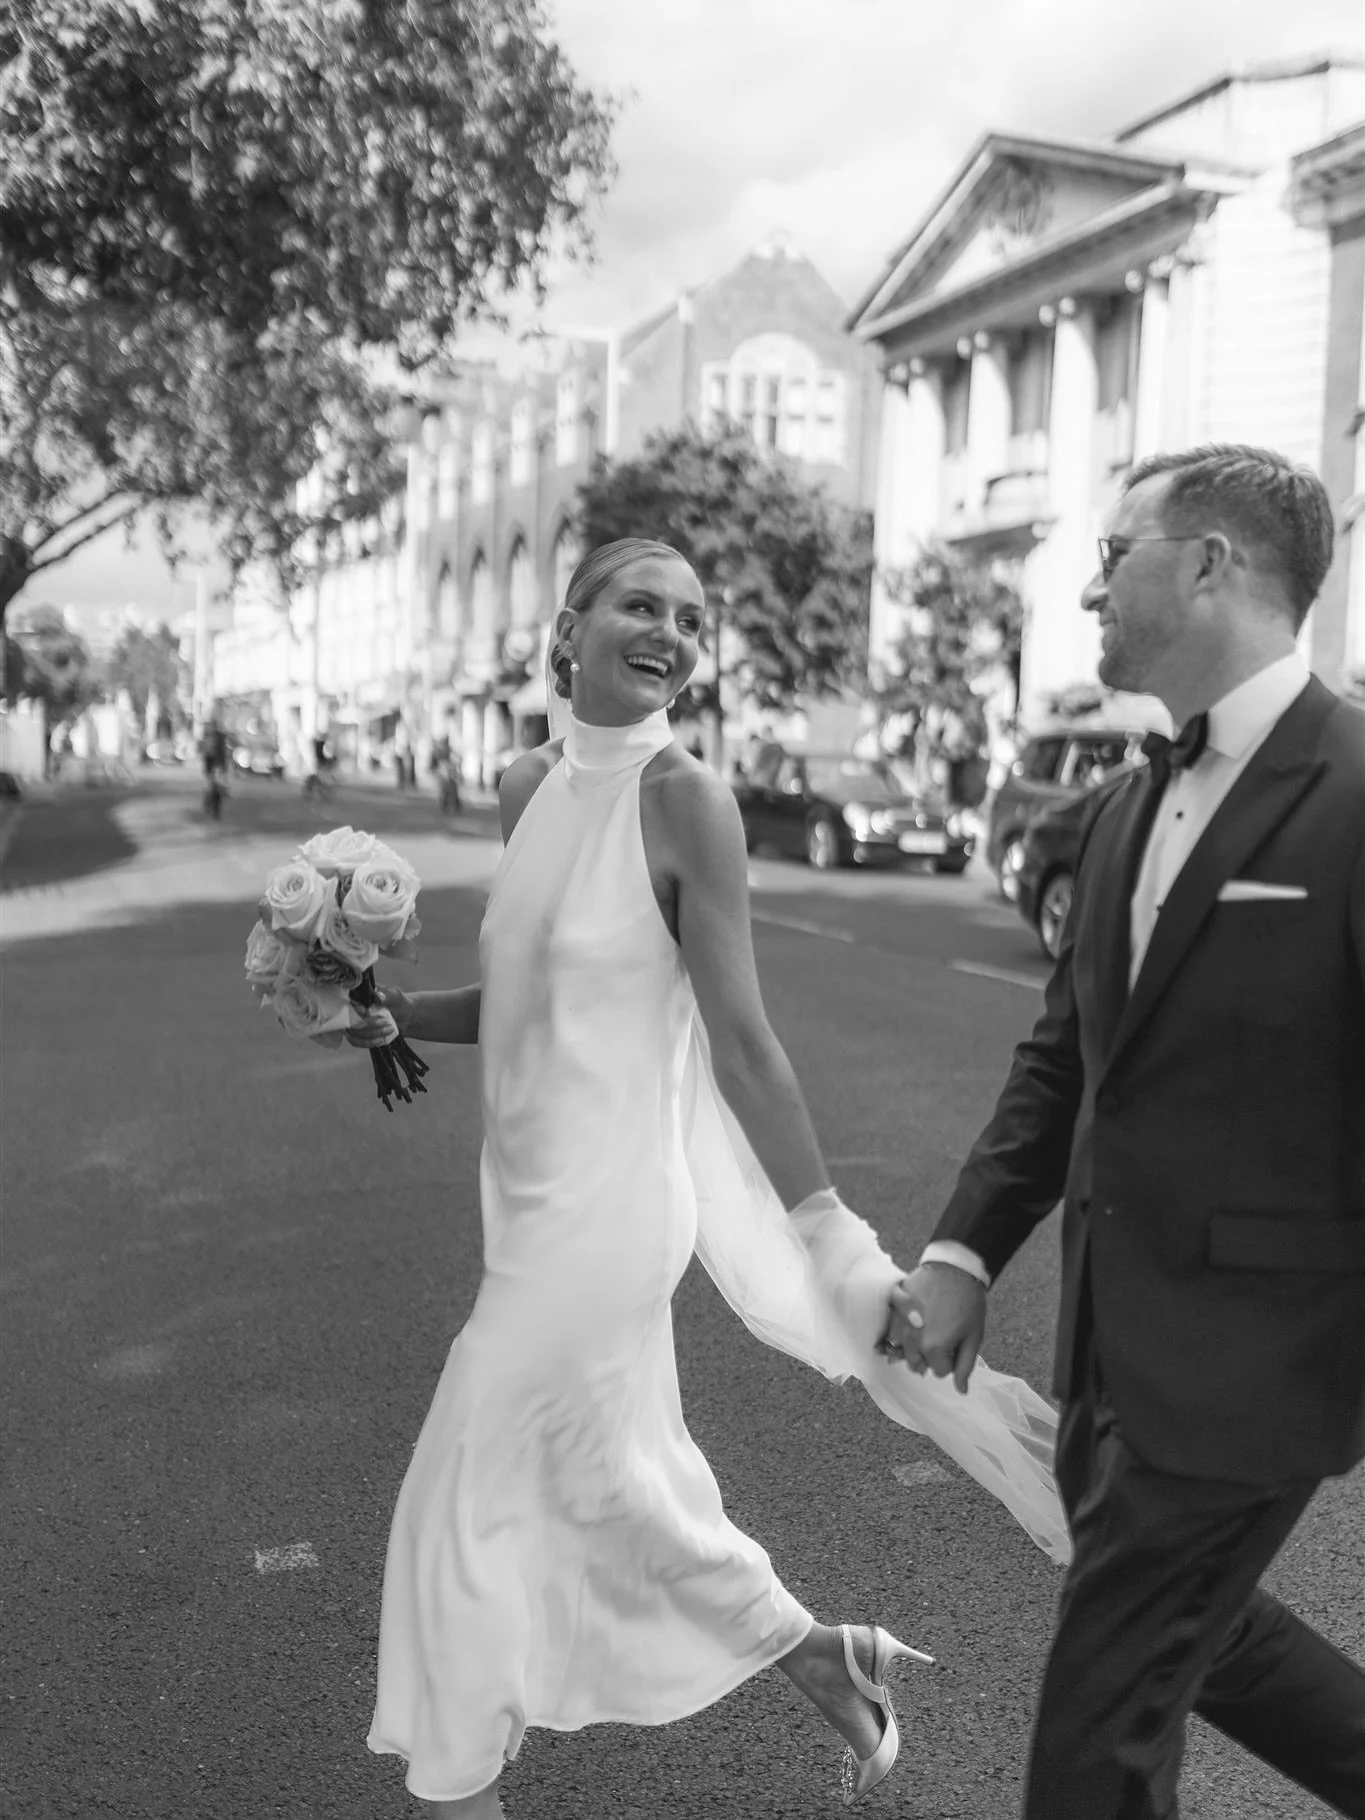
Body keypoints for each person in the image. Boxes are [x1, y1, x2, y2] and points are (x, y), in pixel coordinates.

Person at [348, 538, 1068, 1818]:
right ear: (568, 630)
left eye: (691, 619)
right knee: (613, 1483)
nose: (672, 634)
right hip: (524, 1195)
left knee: (459, 1492)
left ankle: (459, 1783)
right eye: (642, 605)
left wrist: (827, 1229)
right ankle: (821, 1651)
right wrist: (386, 1011)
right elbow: (523, 997)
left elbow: (742, 1041)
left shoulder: (688, 800)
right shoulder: (526, 786)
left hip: (614, 1208)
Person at [886, 445, 1365, 1819]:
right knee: (1197, 1644)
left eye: (1114, 556)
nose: (1090, 590)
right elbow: (1067, 1064)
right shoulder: (1121, 808)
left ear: (1209, 565)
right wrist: (965, 1251)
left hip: (1258, 1369)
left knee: (1094, 1738)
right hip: (1109, 1358)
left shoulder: (1354, 791)